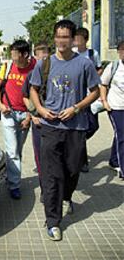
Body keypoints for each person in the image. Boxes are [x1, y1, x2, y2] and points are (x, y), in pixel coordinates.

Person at [30, 20, 100, 241]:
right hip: (51, 127)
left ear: (73, 39)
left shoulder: (84, 64)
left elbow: (96, 91)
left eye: (66, 37)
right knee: (52, 176)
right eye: (58, 36)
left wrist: (76, 108)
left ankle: (67, 196)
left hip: (75, 127)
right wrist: (41, 109)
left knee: (72, 169)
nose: (61, 41)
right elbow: (32, 89)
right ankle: (53, 221)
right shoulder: (44, 64)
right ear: (55, 38)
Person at [0, 40, 36, 200]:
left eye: (15, 54)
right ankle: (14, 185)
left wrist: (30, 116)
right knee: (12, 151)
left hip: (25, 115)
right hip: (8, 114)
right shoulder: (7, 67)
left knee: (17, 150)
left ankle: (11, 174)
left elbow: (37, 94)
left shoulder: (34, 68)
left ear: (25, 54)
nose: (12, 57)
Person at [22, 42, 50, 203]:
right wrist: (33, 114)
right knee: (40, 157)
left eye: (45, 55)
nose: (43, 59)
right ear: (35, 57)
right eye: (40, 56)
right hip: (39, 122)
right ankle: (45, 190)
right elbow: (25, 95)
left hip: (57, 123)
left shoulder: (57, 71)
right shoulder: (32, 74)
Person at [74, 27, 102, 172]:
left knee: (93, 126)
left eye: (79, 38)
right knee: (82, 127)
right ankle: (82, 161)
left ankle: (76, 142)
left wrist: (94, 77)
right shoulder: (72, 54)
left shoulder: (92, 54)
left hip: (91, 96)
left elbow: (99, 68)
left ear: (86, 39)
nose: (76, 41)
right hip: (78, 98)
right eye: (75, 38)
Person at [100, 40, 124, 179]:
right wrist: (104, 102)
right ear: (119, 53)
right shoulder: (113, 67)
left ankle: (114, 160)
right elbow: (103, 84)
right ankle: (122, 168)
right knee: (122, 135)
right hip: (115, 107)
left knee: (119, 134)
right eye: (122, 51)